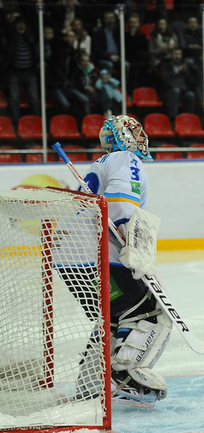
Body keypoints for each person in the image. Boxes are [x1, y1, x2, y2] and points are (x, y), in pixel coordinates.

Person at [77, 115, 172, 407]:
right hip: (98, 256)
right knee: (150, 311)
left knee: (114, 316)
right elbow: (120, 203)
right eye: (135, 132)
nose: (141, 137)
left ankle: (91, 384)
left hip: (73, 260)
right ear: (123, 137)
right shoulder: (125, 158)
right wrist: (133, 245)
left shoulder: (101, 164)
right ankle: (123, 377)